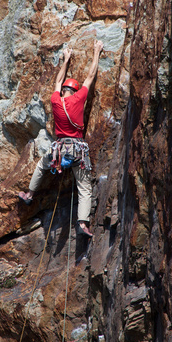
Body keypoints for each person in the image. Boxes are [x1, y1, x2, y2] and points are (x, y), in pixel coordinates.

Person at [18, 40, 104, 237]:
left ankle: (30, 194)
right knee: (84, 188)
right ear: (74, 91)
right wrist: (96, 51)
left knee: (42, 165)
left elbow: (57, 82)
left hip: (59, 149)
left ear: (64, 91)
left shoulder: (56, 101)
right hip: (78, 150)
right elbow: (90, 77)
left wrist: (66, 59)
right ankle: (82, 224)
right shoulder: (79, 98)